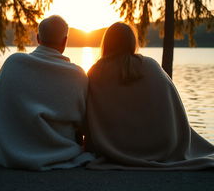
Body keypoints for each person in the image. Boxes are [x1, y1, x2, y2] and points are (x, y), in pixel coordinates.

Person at [0, 15, 94, 170]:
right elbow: (85, 123)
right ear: (65, 42)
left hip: (9, 154)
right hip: (61, 152)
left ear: (38, 38)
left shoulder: (13, 63)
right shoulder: (77, 75)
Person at [85, 22, 214, 170]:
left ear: (106, 43)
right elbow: (174, 110)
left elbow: (88, 114)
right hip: (162, 146)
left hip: (112, 148)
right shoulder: (150, 66)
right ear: (132, 42)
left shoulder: (96, 72)